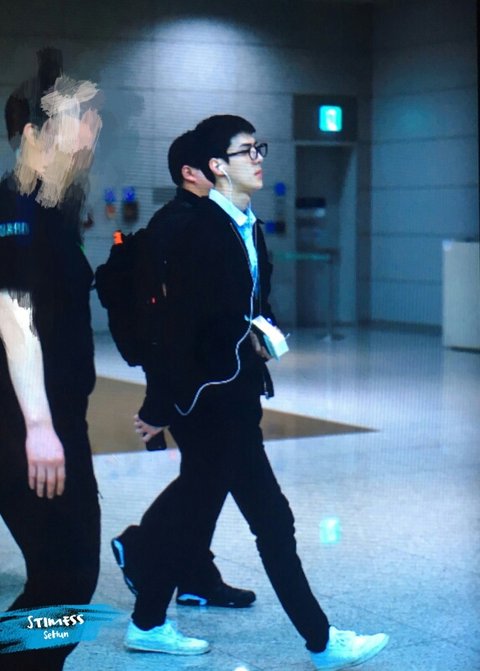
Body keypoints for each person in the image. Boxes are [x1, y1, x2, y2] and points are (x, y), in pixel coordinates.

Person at [119, 114, 389, 670]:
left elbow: (248, 305)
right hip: (208, 402)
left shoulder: (248, 225)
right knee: (269, 520)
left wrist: (261, 333)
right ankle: (321, 643)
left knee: (207, 513)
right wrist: (159, 406)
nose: (259, 157)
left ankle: (146, 619)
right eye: (247, 151)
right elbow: (173, 330)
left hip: (235, 394)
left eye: (258, 147)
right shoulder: (197, 229)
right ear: (216, 166)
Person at [111, 129, 256, 610]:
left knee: (206, 477)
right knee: (207, 478)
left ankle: (195, 576)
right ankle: (141, 545)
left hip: (207, 376)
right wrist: (160, 402)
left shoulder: (208, 220)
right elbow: (168, 325)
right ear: (190, 173)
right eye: (212, 163)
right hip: (192, 381)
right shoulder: (181, 224)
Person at [0, 51, 102, 671]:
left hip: (56, 417)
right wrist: (39, 426)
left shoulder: (50, 209)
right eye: (78, 118)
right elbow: (14, 316)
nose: (91, 130)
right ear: (35, 133)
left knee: (65, 576)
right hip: (28, 423)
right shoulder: (16, 208)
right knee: (67, 577)